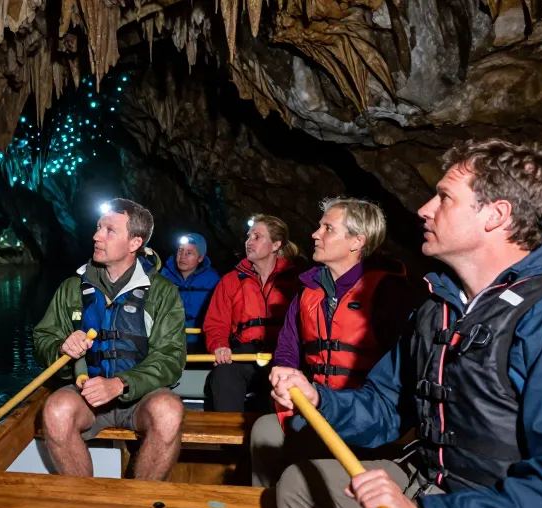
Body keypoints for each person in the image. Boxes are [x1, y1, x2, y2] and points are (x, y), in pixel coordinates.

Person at [271, 139, 542, 508]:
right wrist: (320, 400)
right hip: (432, 479)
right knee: (298, 484)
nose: (424, 209)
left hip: (505, 502)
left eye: (444, 198)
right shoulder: (437, 309)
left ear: (495, 215)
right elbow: (385, 406)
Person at [250, 197, 417, 487]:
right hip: (317, 407)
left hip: (367, 419)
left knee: (298, 461)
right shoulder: (308, 291)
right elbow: (288, 346)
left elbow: (401, 376)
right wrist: (285, 372)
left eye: (328, 228)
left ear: (357, 242)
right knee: (265, 430)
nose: (315, 234)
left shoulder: (389, 294)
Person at [33, 198, 187, 481]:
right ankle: (84, 497)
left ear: (134, 243)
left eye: (110, 230)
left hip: (141, 398)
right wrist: (61, 348)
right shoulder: (71, 288)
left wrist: (120, 384)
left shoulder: (162, 292)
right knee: (55, 409)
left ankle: (140, 499)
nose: (96, 236)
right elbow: (42, 339)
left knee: (168, 411)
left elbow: (171, 358)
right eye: (98, 227)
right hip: (86, 395)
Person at [202, 214, 306, 412]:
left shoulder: (297, 281)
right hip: (243, 354)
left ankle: (281, 429)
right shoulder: (231, 280)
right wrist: (220, 346)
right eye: (248, 237)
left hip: (282, 355)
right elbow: (216, 322)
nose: (248, 242)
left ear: (275, 245)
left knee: (291, 381)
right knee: (223, 375)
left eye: (257, 237)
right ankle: (228, 431)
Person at [162, 233, 221, 354]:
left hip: (200, 344)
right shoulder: (162, 278)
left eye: (189, 252)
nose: (183, 256)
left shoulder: (213, 281)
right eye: (180, 250)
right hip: (167, 343)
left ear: (200, 258)